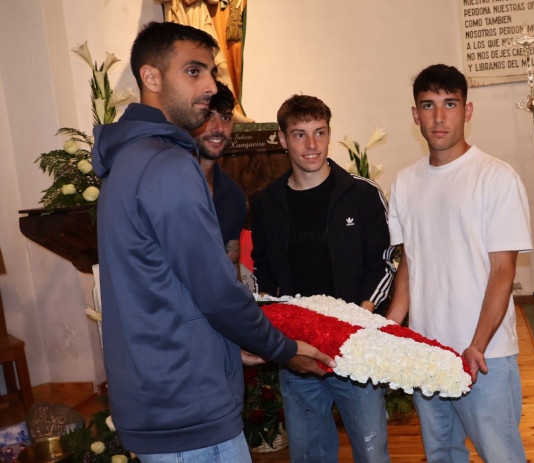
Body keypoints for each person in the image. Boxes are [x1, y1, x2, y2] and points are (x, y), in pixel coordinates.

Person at [91, 21, 333, 463]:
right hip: (188, 408)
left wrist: (222, 343)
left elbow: (165, 288)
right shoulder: (166, 164)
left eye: (212, 72)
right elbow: (215, 288)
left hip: (160, 394)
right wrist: (283, 348)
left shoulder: (127, 160)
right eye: (194, 72)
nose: (210, 86)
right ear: (151, 77)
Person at [386, 64, 532, 463]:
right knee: (442, 455)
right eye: (428, 106)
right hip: (427, 351)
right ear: (415, 114)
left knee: (501, 456)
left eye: (450, 104)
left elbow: (503, 272)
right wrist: (391, 327)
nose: (438, 117)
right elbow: (410, 264)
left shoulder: (495, 177)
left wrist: (477, 346)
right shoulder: (405, 182)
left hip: (484, 356)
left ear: (467, 111)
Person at [250, 94, 394, 463]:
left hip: (355, 346)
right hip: (297, 352)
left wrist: (360, 319)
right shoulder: (267, 203)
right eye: (299, 135)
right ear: (282, 139)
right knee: (309, 454)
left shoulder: (361, 194)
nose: (311, 145)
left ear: (330, 134)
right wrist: (279, 334)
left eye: (320, 132)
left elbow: (384, 262)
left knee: (371, 452)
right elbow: (263, 272)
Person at [192, 81, 246, 264]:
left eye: (226, 117)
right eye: (208, 116)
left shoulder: (234, 196)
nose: (219, 128)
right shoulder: (166, 183)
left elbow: (230, 270)